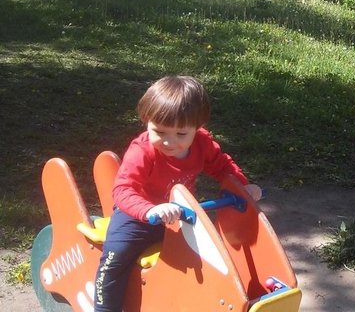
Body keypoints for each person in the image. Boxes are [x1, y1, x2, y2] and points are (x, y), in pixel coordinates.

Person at [93, 76, 262, 311]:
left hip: (180, 216)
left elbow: (223, 166)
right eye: (159, 131)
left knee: (206, 255)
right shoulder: (143, 151)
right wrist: (149, 210)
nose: (169, 142)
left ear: (198, 127)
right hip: (136, 217)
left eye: (181, 134)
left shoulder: (202, 144)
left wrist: (243, 186)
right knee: (114, 258)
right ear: (146, 121)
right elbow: (122, 189)